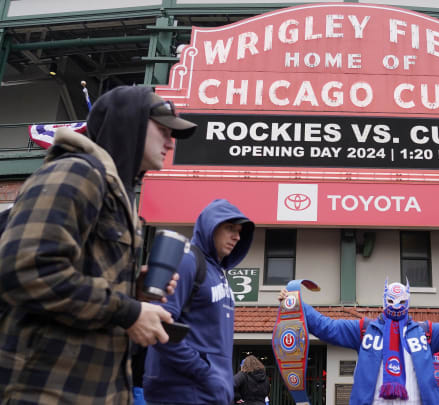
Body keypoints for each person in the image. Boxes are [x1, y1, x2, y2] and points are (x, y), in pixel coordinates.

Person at [0, 86, 195, 403]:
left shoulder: (115, 192)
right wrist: (129, 311)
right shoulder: (75, 172)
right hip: (45, 391)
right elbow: (25, 270)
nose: (171, 142)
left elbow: (74, 286)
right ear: (128, 123)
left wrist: (133, 290)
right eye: (163, 129)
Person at [278, 280, 439, 404]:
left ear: (409, 301)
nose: (396, 305)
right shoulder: (364, 330)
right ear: (384, 300)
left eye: (401, 301)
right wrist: (297, 304)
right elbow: (324, 326)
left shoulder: (425, 333)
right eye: (391, 300)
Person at [143, 198, 254, 405]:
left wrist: (219, 383)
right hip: (181, 392)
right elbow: (158, 325)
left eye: (239, 231)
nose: (237, 236)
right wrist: (206, 374)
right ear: (210, 227)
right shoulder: (187, 261)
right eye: (229, 228)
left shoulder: (219, 273)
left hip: (209, 394)